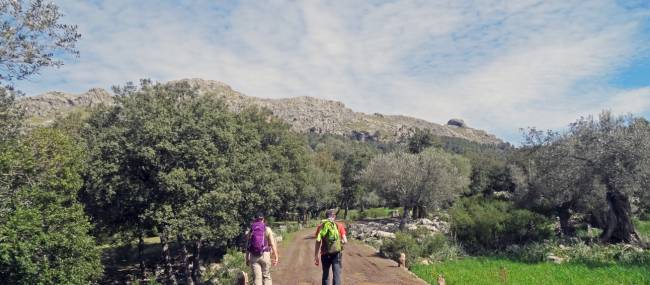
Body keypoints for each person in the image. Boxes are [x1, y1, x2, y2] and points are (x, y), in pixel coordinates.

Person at [314, 209, 347, 285]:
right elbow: (345, 241)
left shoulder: (321, 226)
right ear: (334, 216)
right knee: (336, 275)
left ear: (326, 216)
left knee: (325, 275)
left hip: (324, 254)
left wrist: (316, 255)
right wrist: (339, 242)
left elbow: (318, 241)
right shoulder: (339, 226)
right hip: (336, 254)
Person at [246, 212, 279, 285]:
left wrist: (247, 258)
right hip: (265, 255)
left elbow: (248, 245)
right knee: (266, 277)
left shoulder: (251, 230)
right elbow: (273, 244)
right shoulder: (267, 229)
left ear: (255, 220)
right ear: (263, 219)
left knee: (257, 278)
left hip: (254, 256)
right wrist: (276, 256)